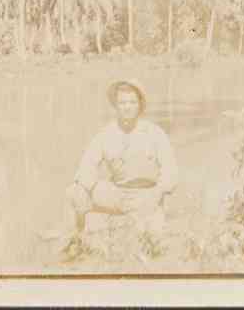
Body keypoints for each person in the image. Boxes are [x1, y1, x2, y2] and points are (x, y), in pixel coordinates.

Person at [60, 79, 178, 261]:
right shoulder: (105, 134)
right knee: (75, 191)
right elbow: (86, 168)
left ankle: (147, 235)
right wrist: (90, 187)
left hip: (146, 196)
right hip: (117, 194)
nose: (127, 107)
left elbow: (170, 172)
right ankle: (76, 243)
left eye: (132, 102)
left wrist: (157, 193)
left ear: (140, 105)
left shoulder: (155, 133)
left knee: (154, 246)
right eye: (122, 103)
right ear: (115, 105)